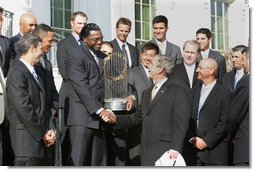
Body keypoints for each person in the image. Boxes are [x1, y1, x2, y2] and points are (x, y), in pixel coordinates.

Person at [106, 55, 190, 166]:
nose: (148, 66)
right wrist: (115, 119)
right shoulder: (147, 92)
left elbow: (181, 123)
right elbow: (138, 117)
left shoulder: (178, 91)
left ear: (160, 69)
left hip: (166, 151)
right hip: (146, 149)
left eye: (151, 63)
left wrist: (175, 148)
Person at [65, 23, 113, 166]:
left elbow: (111, 82)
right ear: (84, 39)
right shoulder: (75, 56)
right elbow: (82, 87)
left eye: (101, 38)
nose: (99, 42)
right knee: (77, 161)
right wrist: (100, 109)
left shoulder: (103, 56)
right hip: (82, 117)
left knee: (98, 162)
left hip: (100, 119)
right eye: (95, 39)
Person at [5, 34, 56, 166]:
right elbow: (24, 109)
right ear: (32, 48)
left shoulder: (38, 71)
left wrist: (50, 129)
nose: (42, 53)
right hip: (26, 143)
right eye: (40, 49)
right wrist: (43, 133)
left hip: (42, 141)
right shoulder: (17, 72)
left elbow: (45, 104)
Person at [186, 58, 232, 165]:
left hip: (215, 153)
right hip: (193, 151)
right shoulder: (194, 91)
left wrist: (206, 141)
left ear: (211, 71)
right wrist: (192, 138)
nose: (197, 70)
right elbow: (187, 116)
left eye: (200, 68)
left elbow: (224, 123)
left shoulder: (224, 94)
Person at [56, 11, 87, 165]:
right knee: (67, 139)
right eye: (79, 23)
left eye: (84, 24)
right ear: (72, 23)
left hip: (87, 99)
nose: (82, 26)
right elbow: (65, 72)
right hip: (70, 97)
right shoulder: (63, 44)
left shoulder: (88, 43)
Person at [126, 42, 159, 166]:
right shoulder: (133, 73)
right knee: (135, 156)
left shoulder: (161, 73)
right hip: (138, 122)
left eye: (151, 55)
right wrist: (132, 97)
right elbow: (128, 91)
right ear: (141, 55)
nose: (148, 58)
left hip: (156, 123)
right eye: (145, 54)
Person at [32, 23, 59, 165]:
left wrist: (54, 109)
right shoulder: (28, 64)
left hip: (49, 120)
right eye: (50, 41)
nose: (52, 44)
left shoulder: (47, 63)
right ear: (39, 40)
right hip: (35, 127)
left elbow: (53, 91)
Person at [227, 48, 249, 166]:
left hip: (245, 146)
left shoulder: (246, 82)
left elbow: (234, 116)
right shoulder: (228, 77)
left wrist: (229, 135)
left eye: (244, 59)